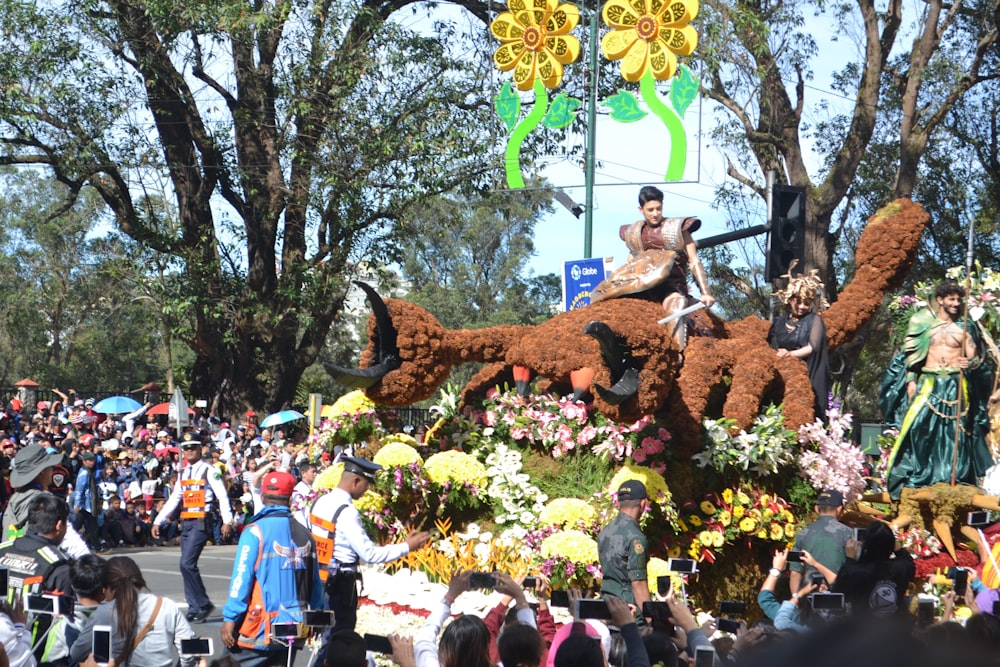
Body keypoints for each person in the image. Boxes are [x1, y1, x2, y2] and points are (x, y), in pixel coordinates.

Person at [880, 279, 998, 499]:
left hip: (955, 385)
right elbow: (912, 356)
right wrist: (911, 380)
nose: (955, 303)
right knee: (919, 428)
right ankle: (922, 473)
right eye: (951, 299)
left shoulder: (964, 328)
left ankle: (951, 477)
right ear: (940, 300)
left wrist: (969, 364)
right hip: (928, 383)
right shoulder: (924, 324)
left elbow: (976, 360)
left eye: (958, 299)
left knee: (955, 432)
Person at [309, 456, 430, 664]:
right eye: (366, 485)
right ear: (356, 481)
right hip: (341, 586)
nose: (366, 490)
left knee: (327, 641)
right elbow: (370, 555)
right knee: (338, 644)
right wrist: (406, 547)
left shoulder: (320, 502)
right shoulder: (347, 512)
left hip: (321, 582)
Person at [590, 185, 715, 350]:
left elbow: (693, 260)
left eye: (658, 208)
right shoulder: (633, 233)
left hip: (672, 289)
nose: (655, 213)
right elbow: (631, 264)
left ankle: (676, 355)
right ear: (640, 209)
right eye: (650, 210)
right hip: (640, 290)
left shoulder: (677, 229)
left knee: (675, 305)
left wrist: (705, 292)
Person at [221, 471, 323, 667]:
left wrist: (230, 618)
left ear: (262, 497)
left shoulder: (254, 531)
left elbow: (241, 579)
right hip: (295, 627)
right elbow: (315, 582)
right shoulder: (307, 535)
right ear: (291, 498)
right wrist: (317, 614)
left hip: (258, 629)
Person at [150, 432, 233, 623]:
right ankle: (194, 606)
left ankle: (203, 603)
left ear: (199, 449)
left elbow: (222, 496)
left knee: (187, 563)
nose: (188, 451)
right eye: (185, 448)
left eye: (192, 447)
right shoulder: (184, 473)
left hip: (202, 520)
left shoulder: (209, 470)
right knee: (185, 564)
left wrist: (227, 520)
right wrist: (158, 521)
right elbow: (174, 499)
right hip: (187, 521)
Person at [69, 556, 196, 667]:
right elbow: (190, 652)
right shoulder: (166, 606)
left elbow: (77, 653)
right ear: (139, 579)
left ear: (106, 587)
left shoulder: (103, 613)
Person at [0, 493, 75, 667]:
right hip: (32, 654)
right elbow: (64, 622)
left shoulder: (2, 550)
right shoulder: (58, 563)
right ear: (59, 525)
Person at [768, 264, 830, 419]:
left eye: (807, 303)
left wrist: (790, 354)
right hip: (783, 374)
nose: (802, 306)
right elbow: (772, 346)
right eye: (799, 302)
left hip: (808, 374)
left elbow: (812, 347)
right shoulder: (778, 322)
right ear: (790, 300)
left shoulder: (814, 320)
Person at [2, 445, 89, 557]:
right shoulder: (45, 501)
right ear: (42, 472)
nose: (52, 471)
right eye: (50, 467)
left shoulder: (14, 499)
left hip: (10, 562)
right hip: (39, 567)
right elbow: (73, 545)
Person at [832, 520, 914, 616]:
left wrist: (850, 560)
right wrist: (897, 548)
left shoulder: (854, 571)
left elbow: (837, 595)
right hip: (894, 628)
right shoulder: (901, 568)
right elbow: (909, 562)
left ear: (866, 544)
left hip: (862, 628)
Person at [597, 480, 651, 614]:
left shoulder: (605, 531)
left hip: (606, 605)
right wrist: (651, 619)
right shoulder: (636, 538)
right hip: (629, 608)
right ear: (643, 503)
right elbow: (638, 583)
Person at [787, 490, 853, 593]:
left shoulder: (802, 534)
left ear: (817, 509)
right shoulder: (849, 533)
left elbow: (795, 573)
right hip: (840, 596)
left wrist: (797, 602)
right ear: (839, 509)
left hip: (811, 596)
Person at [71, 452, 100, 550]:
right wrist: (77, 504)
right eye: (90, 460)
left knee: (92, 526)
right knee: (77, 526)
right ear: (84, 461)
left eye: (93, 460)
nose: (92, 462)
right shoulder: (84, 472)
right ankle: (97, 547)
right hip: (85, 504)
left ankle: (96, 546)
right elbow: (80, 489)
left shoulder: (89, 471)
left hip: (88, 503)